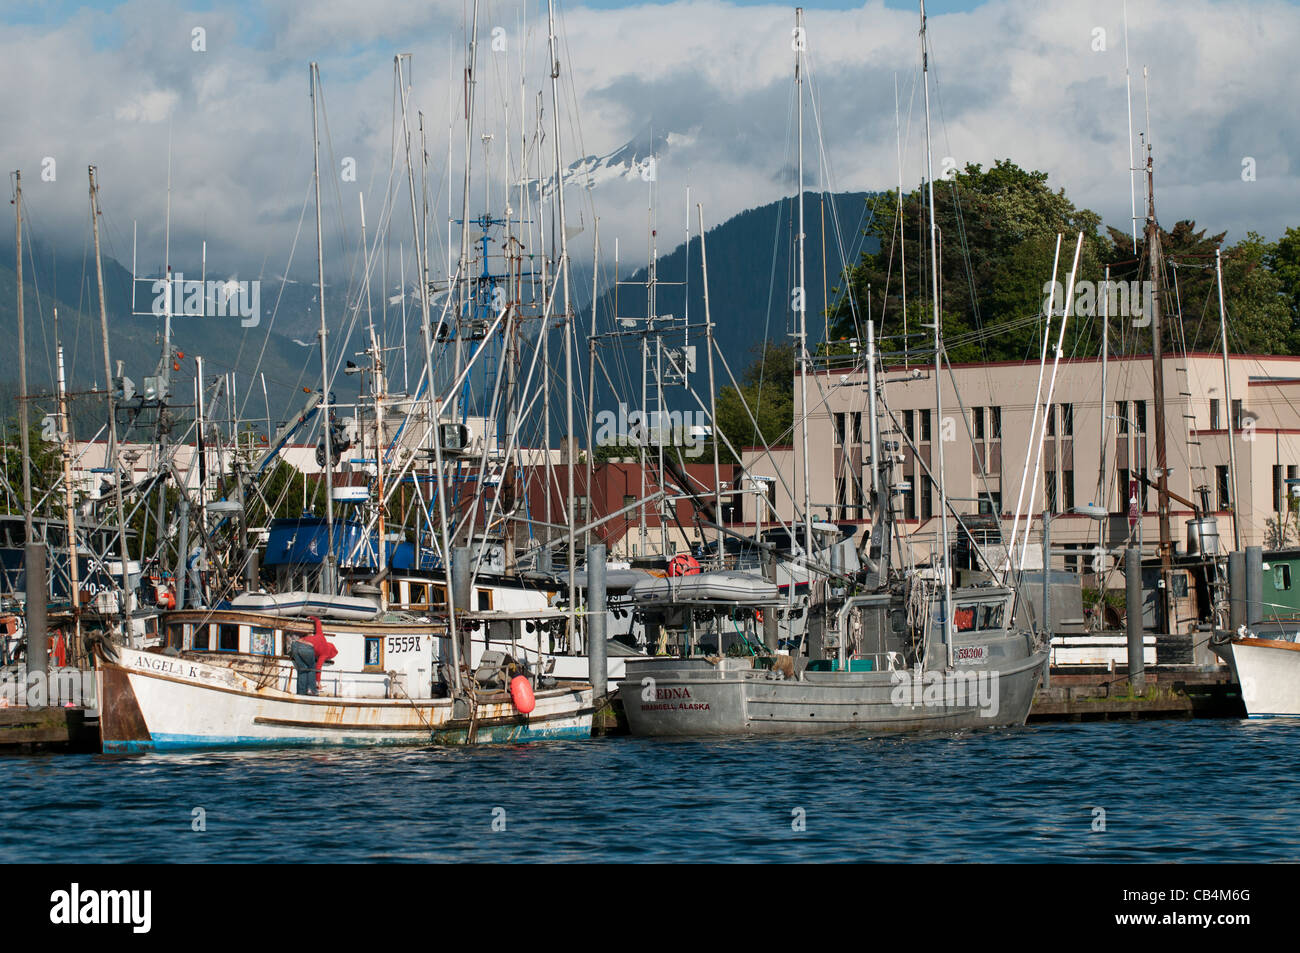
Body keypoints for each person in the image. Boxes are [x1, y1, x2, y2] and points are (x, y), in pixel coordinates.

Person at [301, 616, 338, 695]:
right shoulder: (325, 654)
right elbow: (318, 668)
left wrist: (312, 617)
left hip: (301, 640)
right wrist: (318, 681)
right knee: (312, 666)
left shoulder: (322, 636)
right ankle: (312, 687)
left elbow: (318, 623)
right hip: (303, 649)